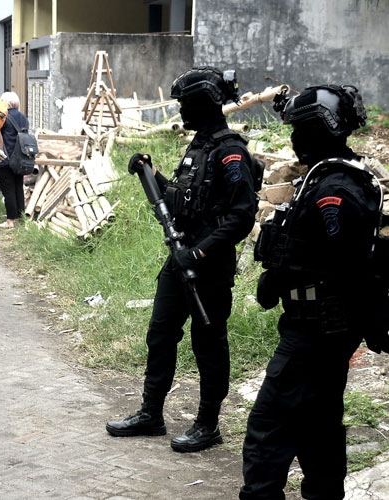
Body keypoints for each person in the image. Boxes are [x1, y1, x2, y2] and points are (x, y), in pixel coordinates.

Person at [240, 85, 388, 499]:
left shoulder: (336, 188)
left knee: (268, 431)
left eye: (299, 129)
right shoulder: (327, 177)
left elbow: (344, 263)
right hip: (318, 328)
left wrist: (283, 272)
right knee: (318, 426)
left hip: (317, 331)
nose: (293, 139)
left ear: (320, 131)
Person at [106, 67, 258, 452]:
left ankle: (208, 425)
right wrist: (150, 172)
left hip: (208, 265)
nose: (181, 110)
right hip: (180, 258)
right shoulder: (198, 147)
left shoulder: (231, 152)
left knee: (208, 345)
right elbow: (180, 202)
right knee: (160, 335)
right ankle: (151, 414)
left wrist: (201, 250)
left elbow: (241, 217)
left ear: (204, 103)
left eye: (186, 103)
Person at [0, 91, 28, 228]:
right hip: (20, 158)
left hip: (5, 158)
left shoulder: (3, 116)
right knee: (18, 187)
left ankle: (10, 220)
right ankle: (20, 217)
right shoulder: (23, 117)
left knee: (8, 189)